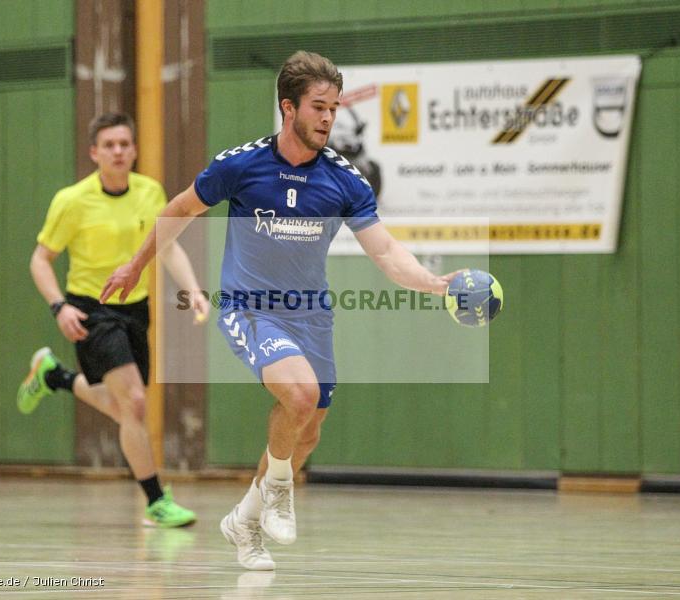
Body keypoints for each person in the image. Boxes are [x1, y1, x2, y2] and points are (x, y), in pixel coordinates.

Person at [100, 52, 460, 569]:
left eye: (334, 108)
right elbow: (179, 209)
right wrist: (137, 266)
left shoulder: (345, 180)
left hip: (310, 314)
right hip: (249, 306)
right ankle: (278, 490)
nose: (329, 118)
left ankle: (245, 523)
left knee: (307, 428)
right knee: (300, 394)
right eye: (319, 107)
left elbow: (385, 252)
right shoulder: (241, 165)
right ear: (288, 108)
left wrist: (433, 284)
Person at [16, 112, 209, 528]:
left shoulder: (150, 192)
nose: (118, 151)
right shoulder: (72, 201)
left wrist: (192, 289)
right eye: (109, 145)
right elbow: (40, 260)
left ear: (134, 150)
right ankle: (156, 501)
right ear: (94, 153)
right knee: (134, 404)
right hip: (91, 308)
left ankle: (55, 376)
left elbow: (167, 246)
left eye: (124, 144)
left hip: (135, 309)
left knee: (128, 408)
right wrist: (59, 307)